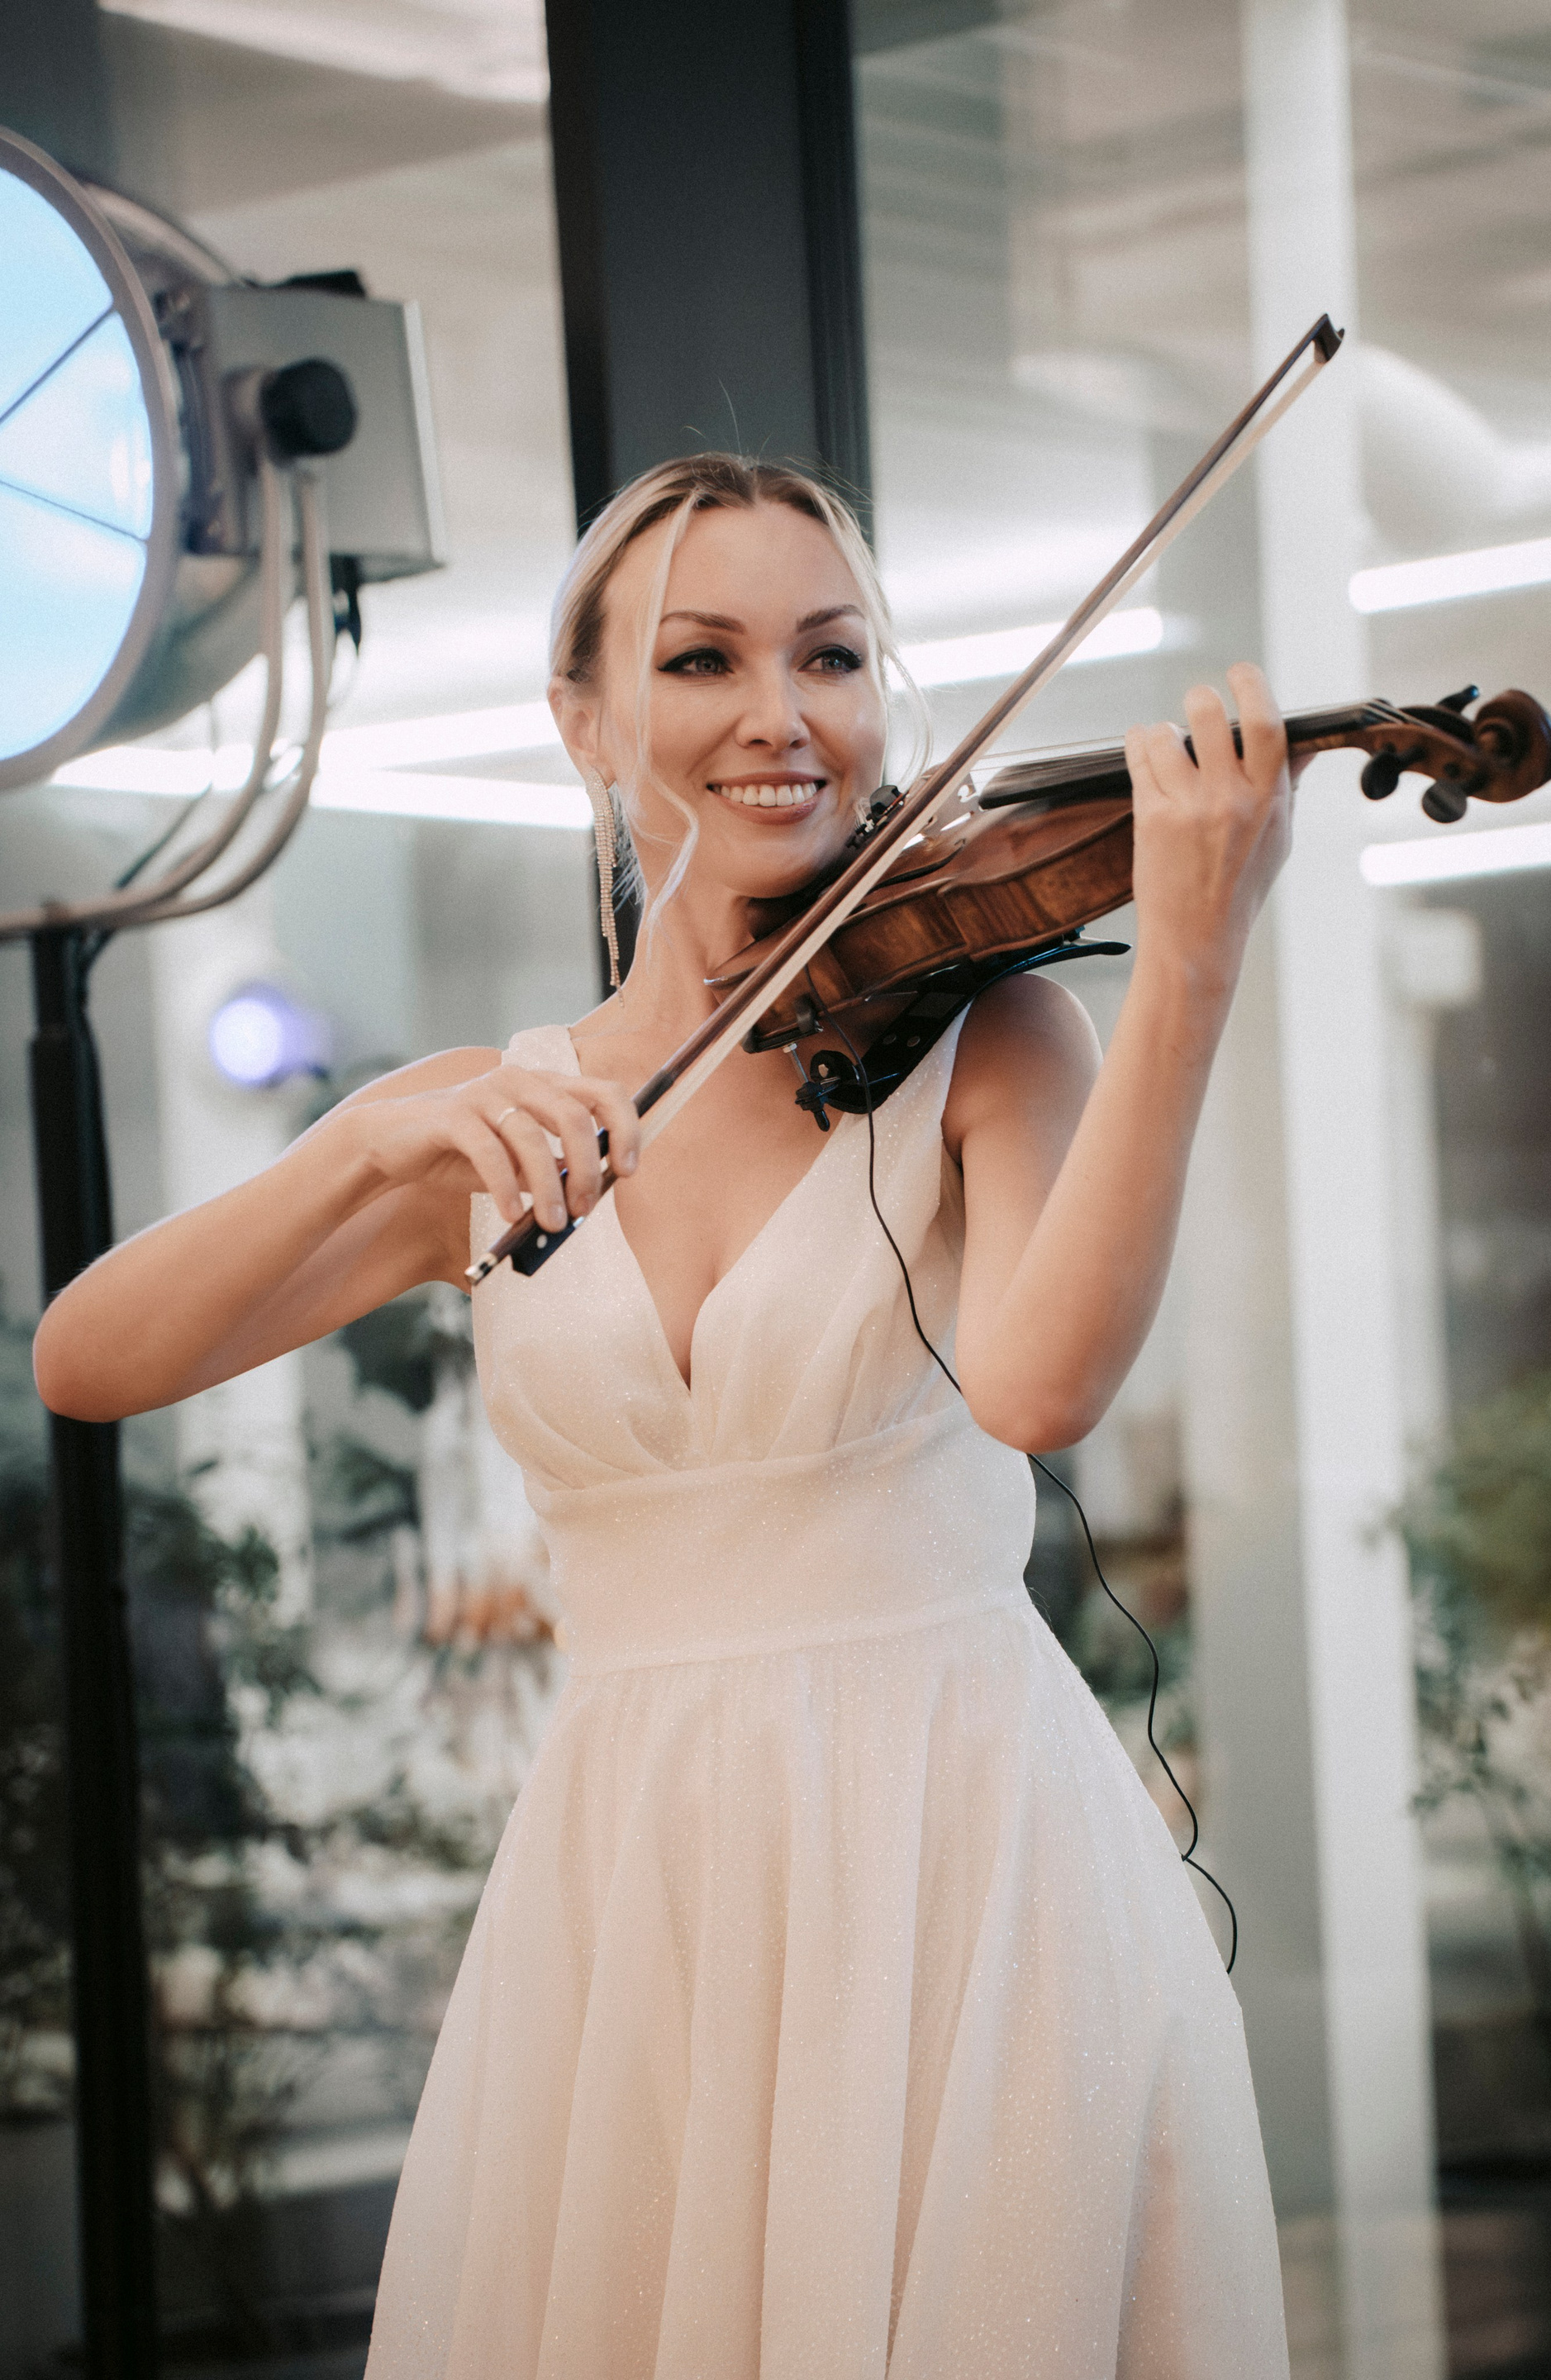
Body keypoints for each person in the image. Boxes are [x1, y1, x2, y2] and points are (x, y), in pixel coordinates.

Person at [36, 454, 1294, 2378]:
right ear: (581, 716)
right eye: (702, 660)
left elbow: (1042, 1384)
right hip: (640, 1878)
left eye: (832, 656)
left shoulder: (990, 1036)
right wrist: (373, 1142)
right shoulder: (499, 1116)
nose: (781, 715)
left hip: (958, 1851)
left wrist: (1193, 958)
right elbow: (89, 1358)